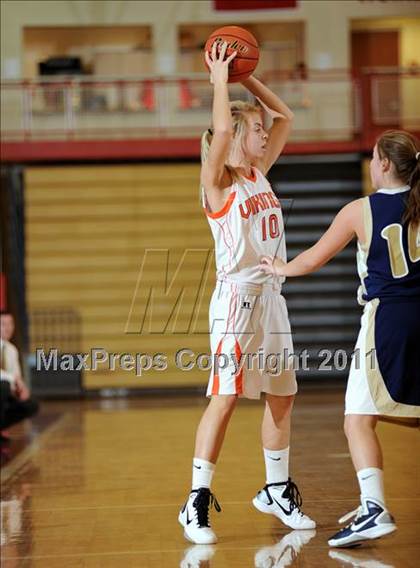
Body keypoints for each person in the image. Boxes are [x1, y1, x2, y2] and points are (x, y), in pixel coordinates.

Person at [178, 41, 315, 545]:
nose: (265, 135)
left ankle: (275, 490)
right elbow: (222, 133)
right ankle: (195, 501)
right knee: (226, 398)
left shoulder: (260, 173)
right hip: (236, 301)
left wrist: (246, 77)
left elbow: (285, 116)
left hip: (271, 298)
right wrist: (219, 81)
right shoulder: (218, 180)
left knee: (283, 396)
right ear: (234, 135)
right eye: (254, 130)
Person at [260, 130, 420, 547]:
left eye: (372, 157)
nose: (370, 163)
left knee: (357, 420)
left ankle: (374, 507)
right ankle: (372, 506)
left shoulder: (361, 210)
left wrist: (279, 268)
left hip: (388, 319)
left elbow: (313, 257)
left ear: (384, 164)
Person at [0, 311, 39, 443]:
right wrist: (13, 379)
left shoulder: (11, 350)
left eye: (10, 324)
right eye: (3, 324)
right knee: (3, 386)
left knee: (31, 404)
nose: (8, 328)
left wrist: (22, 389)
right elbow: (9, 377)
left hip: (6, 392)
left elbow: (17, 376)